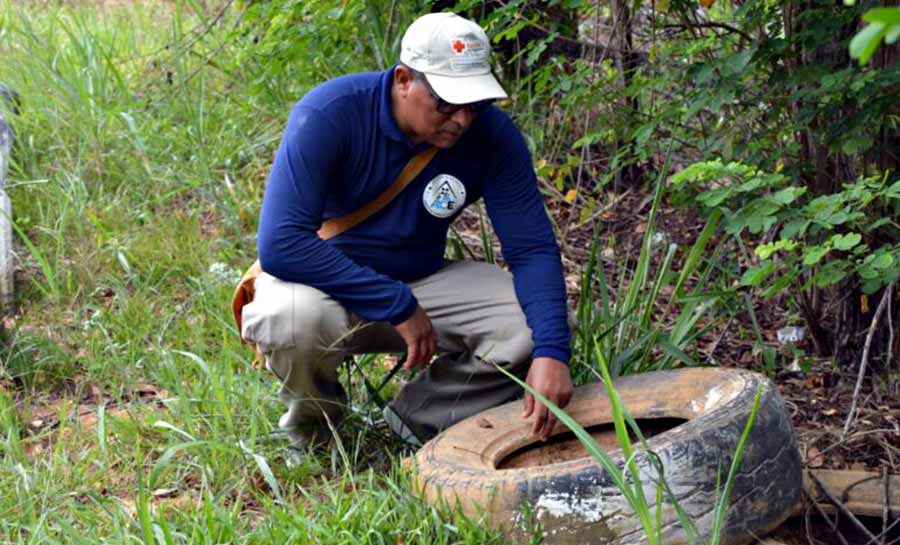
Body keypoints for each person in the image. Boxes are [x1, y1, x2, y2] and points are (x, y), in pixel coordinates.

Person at [239, 12, 573, 449]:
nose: (462, 119)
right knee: (288, 318)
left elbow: (532, 251)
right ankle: (318, 434)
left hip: (422, 280)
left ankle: (415, 424)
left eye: (475, 104)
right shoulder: (331, 113)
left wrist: (552, 352)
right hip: (327, 285)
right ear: (402, 80)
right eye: (447, 103)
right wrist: (395, 303)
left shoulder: (493, 137)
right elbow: (282, 243)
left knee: (536, 323)